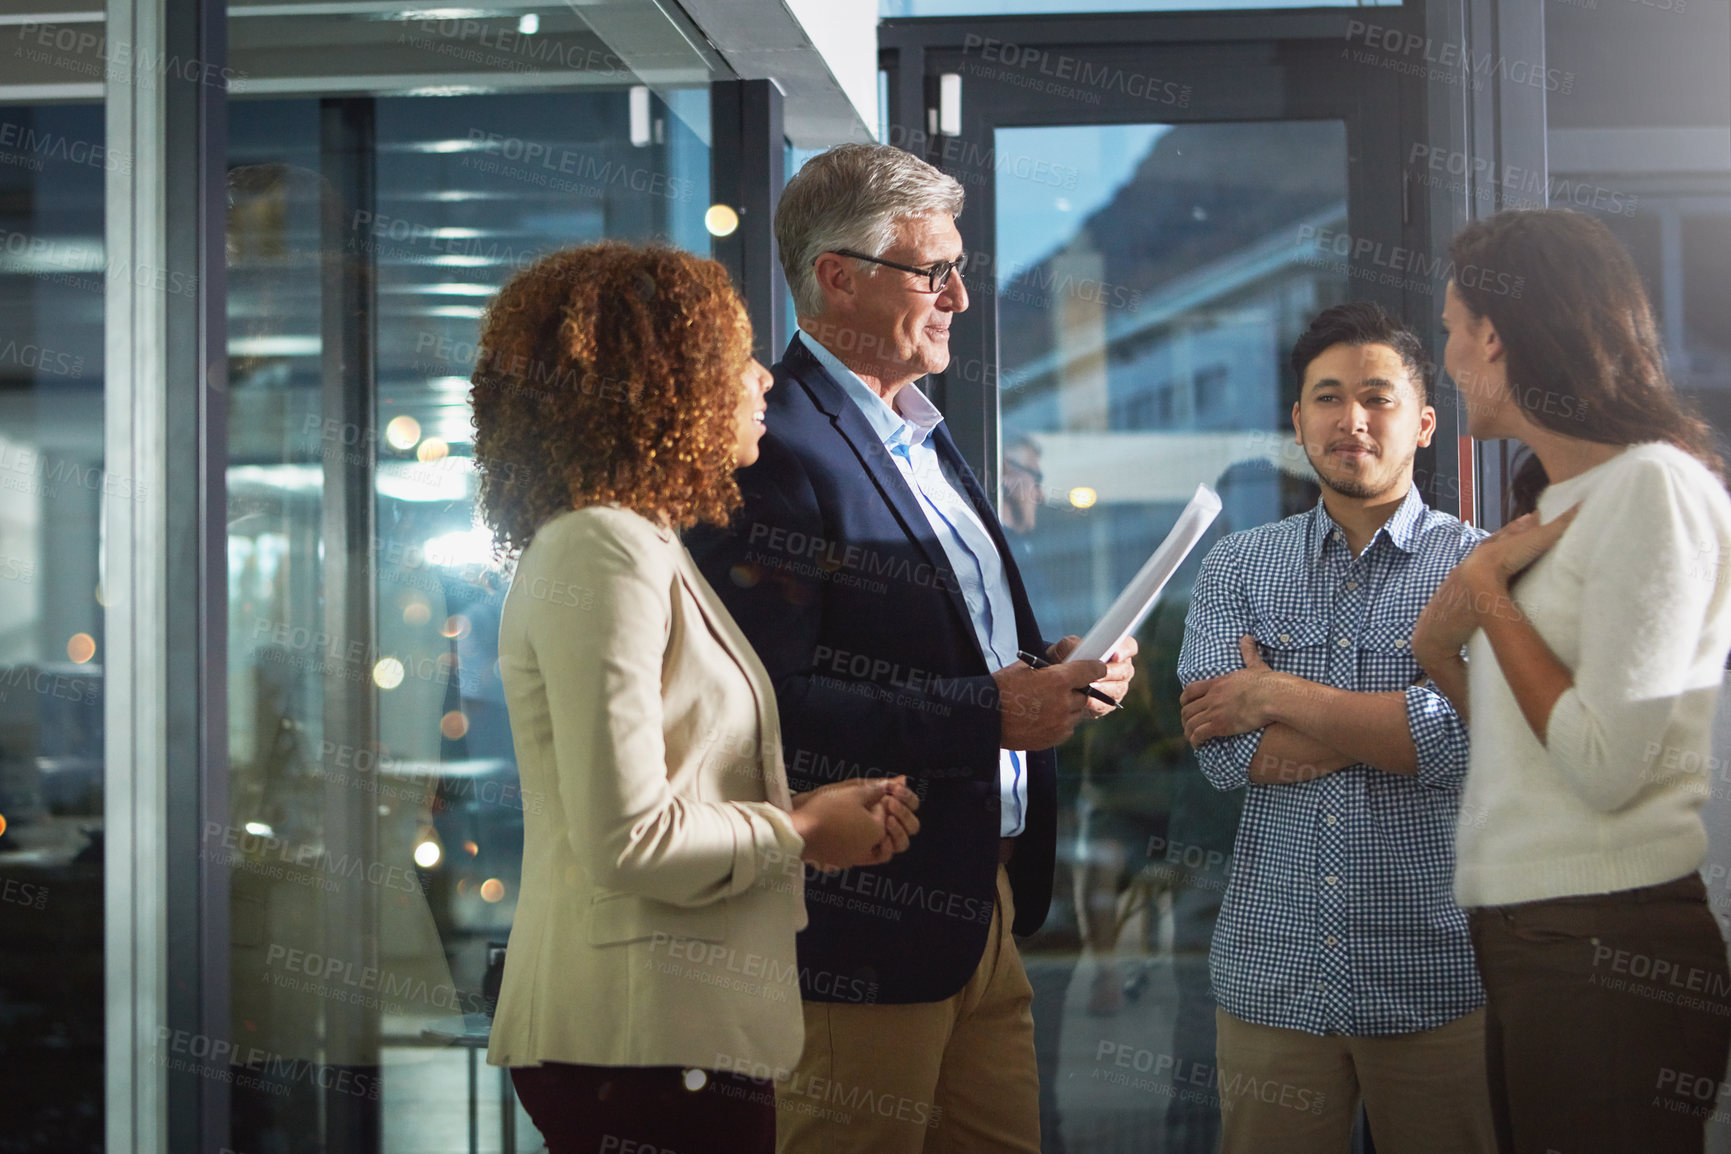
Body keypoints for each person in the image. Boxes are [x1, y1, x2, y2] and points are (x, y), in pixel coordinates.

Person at [686, 142, 1137, 1154]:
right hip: (865, 920)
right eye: (936, 272)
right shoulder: (773, 453)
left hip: (988, 904)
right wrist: (994, 710)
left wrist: (1059, 669)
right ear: (838, 275)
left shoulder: (926, 436)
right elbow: (770, 703)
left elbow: (966, 649)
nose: (961, 298)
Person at [475, 243, 922, 1154]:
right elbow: (630, 841)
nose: (761, 377)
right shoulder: (604, 548)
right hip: (637, 1043)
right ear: (656, 383)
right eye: (733, 357)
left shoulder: (637, 541)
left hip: (665, 1038)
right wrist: (799, 831)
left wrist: (818, 820)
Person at [1413, 208, 1731, 1154]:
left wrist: (1486, 600)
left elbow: (1601, 766)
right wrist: (1441, 641)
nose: (1445, 358)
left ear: (1496, 336)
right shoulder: (1553, 506)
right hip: (1534, 939)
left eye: (1448, 330)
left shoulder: (1651, 489)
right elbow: (1530, 747)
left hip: (1607, 948)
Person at [1176, 301, 1495, 1154]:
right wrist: (1395, 726)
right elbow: (1221, 753)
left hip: (1435, 976)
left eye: (1377, 398)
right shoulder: (1239, 564)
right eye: (1326, 397)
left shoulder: (1479, 564)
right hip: (1272, 980)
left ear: (1423, 423)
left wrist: (1273, 692)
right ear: (1296, 420)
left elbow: (1465, 741)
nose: (1350, 420)